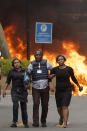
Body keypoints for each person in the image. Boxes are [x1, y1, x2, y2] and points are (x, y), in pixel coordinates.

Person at [50, 55, 83, 128]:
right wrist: (51, 85)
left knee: (65, 106)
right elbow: (50, 78)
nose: (60, 61)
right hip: (58, 90)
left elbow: (73, 78)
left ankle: (65, 122)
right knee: (59, 108)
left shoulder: (69, 69)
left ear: (64, 60)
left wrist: (78, 85)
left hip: (67, 90)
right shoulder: (54, 69)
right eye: (59, 60)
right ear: (57, 61)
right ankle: (61, 117)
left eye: (62, 59)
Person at [25, 50, 53, 127]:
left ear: (42, 55)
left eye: (39, 55)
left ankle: (43, 121)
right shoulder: (31, 64)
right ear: (34, 56)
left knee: (45, 105)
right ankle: (35, 122)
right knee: (36, 104)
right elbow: (27, 73)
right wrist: (27, 82)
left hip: (45, 87)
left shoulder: (46, 62)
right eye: (36, 55)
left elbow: (53, 69)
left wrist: (51, 76)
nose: (38, 56)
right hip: (35, 88)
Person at [3, 58, 29, 128]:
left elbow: (28, 80)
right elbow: (7, 81)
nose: (16, 64)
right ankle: (14, 122)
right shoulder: (11, 71)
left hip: (23, 91)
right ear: (13, 64)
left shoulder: (25, 71)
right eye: (15, 63)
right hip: (14, 91)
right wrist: (4, 90)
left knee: (23, 107)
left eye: (18, 62)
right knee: (15, 105)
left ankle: (25, 123)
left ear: (20, 63)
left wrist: (28, 85)